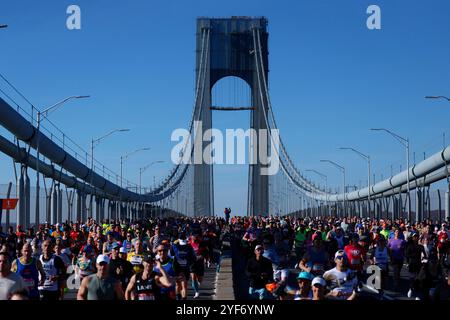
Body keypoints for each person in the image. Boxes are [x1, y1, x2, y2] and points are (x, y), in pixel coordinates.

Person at [171, 233, 196, 300]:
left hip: (178, 267)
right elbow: (194, 258)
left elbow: (171, 254)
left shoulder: (174, 245)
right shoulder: (189, 246)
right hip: (183, 268)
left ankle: (178, 298)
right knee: (183, 285)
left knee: (179, 284)